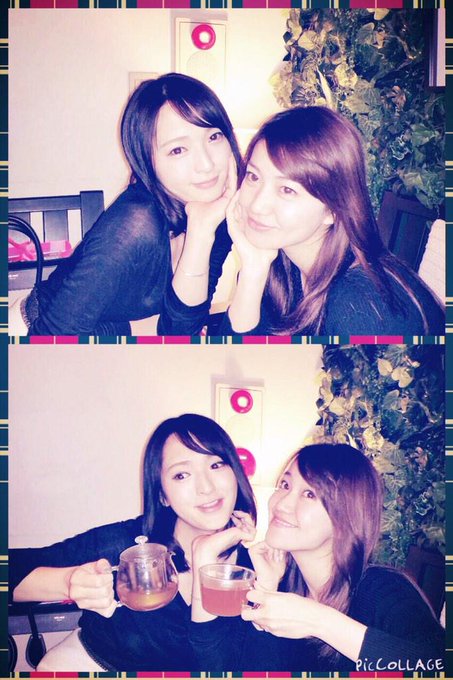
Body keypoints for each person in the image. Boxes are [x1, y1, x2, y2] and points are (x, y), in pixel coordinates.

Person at [9, 414, 258, 671]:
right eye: (182, 475)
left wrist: (205, 557)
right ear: (162, 495)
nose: (205, 487)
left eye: (216, 465)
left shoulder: (254, 570)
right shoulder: (125, 543)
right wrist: (68, 583)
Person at [190, 443, 444, 671]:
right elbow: (223, 670)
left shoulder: (384, 590)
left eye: (309, 494)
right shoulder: (283, 584)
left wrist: (319, 621)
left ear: (347, 516)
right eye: (285, 485)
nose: (281, 504)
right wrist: (264, 587)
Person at [21, 74, 241, 336]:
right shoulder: (136, 226)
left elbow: (181, 331)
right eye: (178, 150)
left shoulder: (216, 214)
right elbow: (49, 339)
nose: (206, 164)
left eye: (214, 136)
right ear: (147, 161)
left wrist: (201, 233)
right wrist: (137, 330)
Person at [220, 106, 444, 336]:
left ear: (334, 210)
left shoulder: (360, 307)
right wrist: (253, 269)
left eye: (287, 190)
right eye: (253, 176)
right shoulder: (279, 264)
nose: (257, 205)